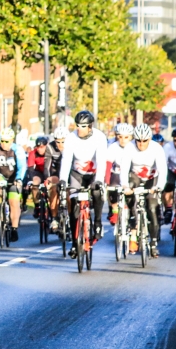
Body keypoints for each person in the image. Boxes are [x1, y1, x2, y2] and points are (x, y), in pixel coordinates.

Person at [59, 110, 108, 257]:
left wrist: (99, 180)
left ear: (90, 126)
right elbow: (67, 160)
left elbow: (101, 160)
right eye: (78, 125)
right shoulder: (71, 138)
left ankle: (98, 223)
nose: (79, 128)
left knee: (97, 192)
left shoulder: (99, 137)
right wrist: (62, 179)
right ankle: (75, 243)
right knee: (74, 205)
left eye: (83, 126)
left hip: (93, 174)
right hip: (77, 174)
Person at [119, 124, 167, 257]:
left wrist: (159, 187)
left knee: (152, 208)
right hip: (136, 177)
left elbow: (162, 170)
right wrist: (125, 186)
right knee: (129, 189)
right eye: (138, 141)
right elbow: (124, 168)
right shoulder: (129, 147)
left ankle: (153, 242)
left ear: (150, 139)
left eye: (144, 141)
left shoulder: (157, 148)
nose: (141, 144)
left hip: (152, 179)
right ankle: (133, 219)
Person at [0, 128, 27, 242]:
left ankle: (14, 229)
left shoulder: (17, 150)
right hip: (0, 175)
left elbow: (22, 166)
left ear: (12, 140)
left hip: (14, 178)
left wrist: (19, 179)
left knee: (14, 203)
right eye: (2, 141)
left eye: (7, 141)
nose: (4, 144)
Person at [105, 123, 134, 226]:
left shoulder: (134, 146)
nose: (123, 140)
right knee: (111, 187)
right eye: (120, 137)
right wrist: (106, 182)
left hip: (131, 174)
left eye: (126, 137)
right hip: (116, 173)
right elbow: (108, 165)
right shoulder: (113, 147)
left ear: (131, 137)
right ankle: (114, 210)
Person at [44, 127, 67, 232]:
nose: (60, 145)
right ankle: (54, 218)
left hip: (70, 173)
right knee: (53, 187)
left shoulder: (73, 146)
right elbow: (47, 167)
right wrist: (47, 180)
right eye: (58, 142)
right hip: (56, 173)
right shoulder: (50, 147)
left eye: (63, 141)